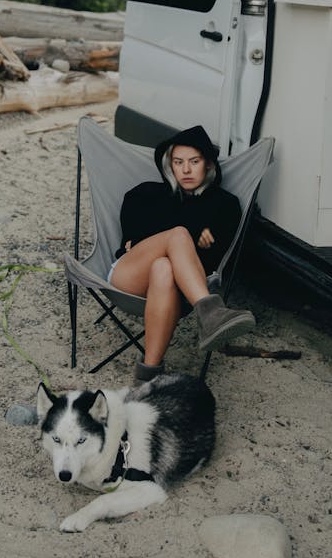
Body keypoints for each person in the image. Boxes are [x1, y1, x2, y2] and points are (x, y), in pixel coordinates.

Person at [109, 125, 256, 382]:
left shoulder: (225, 205)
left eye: (194, 161)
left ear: (208, 165)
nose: (185, 170)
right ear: (170, 165)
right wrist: (181, 241)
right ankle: (210, 312)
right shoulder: (145, 194)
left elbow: (216, 263)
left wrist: (206, 247)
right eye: (178, 162)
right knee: (178, 235)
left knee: (164, 267)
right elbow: (130, 244)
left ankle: (147, 378)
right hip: (129, 275)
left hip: (173, 286)